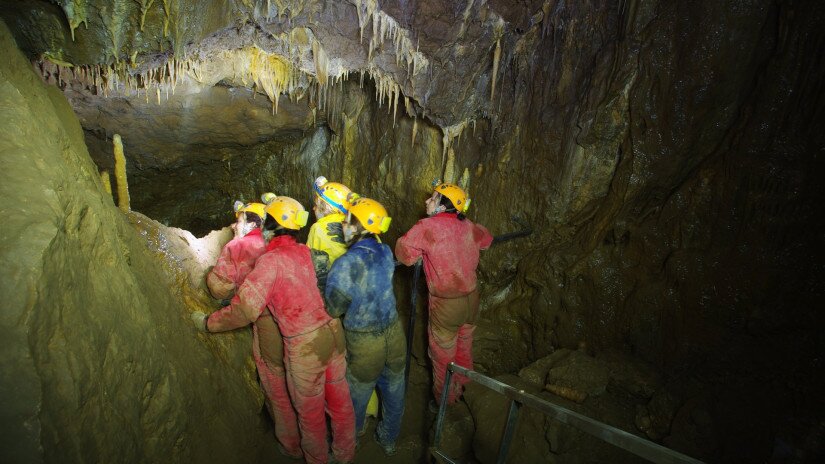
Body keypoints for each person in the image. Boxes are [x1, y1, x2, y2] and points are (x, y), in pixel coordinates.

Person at [194, 195, 355, 464]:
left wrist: (208, 323)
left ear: (269, 226)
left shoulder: (270, 262)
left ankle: (317, 459)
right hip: (333, 332)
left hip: (306, 346)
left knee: (310, 414)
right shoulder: (304, 251)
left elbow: (245, 310)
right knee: (340, 402)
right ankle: (346, 455)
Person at [197, 195, 302, 459]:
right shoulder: (281, 245)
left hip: (267, 325)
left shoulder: (238, 246)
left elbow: (219, 286)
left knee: (275, 384)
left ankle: (290, 444)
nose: (234, 226)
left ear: (251, 222)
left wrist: (212, 281)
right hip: (297, 322)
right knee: (300, 382)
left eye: (239, 220)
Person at [395, 182, 492, 410]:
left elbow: (404, 254)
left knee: (442, 359)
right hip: (471, 300)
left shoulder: (427, 227)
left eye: (433, 198)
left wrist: (422, 252)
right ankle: (466, 390)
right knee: (464, 347)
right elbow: (486, 240)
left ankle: (445, 406)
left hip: (446, 306)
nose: (427, 201)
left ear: (441, 206)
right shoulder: (468, 225)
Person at [324, 197, 405, 456]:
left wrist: (324, 282)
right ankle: (388, 439)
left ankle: (350, 443)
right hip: (394, 333)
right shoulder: (385, 250)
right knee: (394, 390)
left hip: (365, 341)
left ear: (360, 228)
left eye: (348, 221)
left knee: (355, 397)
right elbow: (371, 254)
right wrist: (356, 236)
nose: (344, 224)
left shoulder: (345, 264)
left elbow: (334, 308)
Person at [306, 176, 353, 291]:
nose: (313, 208)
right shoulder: (358, 225)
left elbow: (307, 262)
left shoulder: (318, 228)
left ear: (326, 208)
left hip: (335, 289)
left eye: (316, 205)